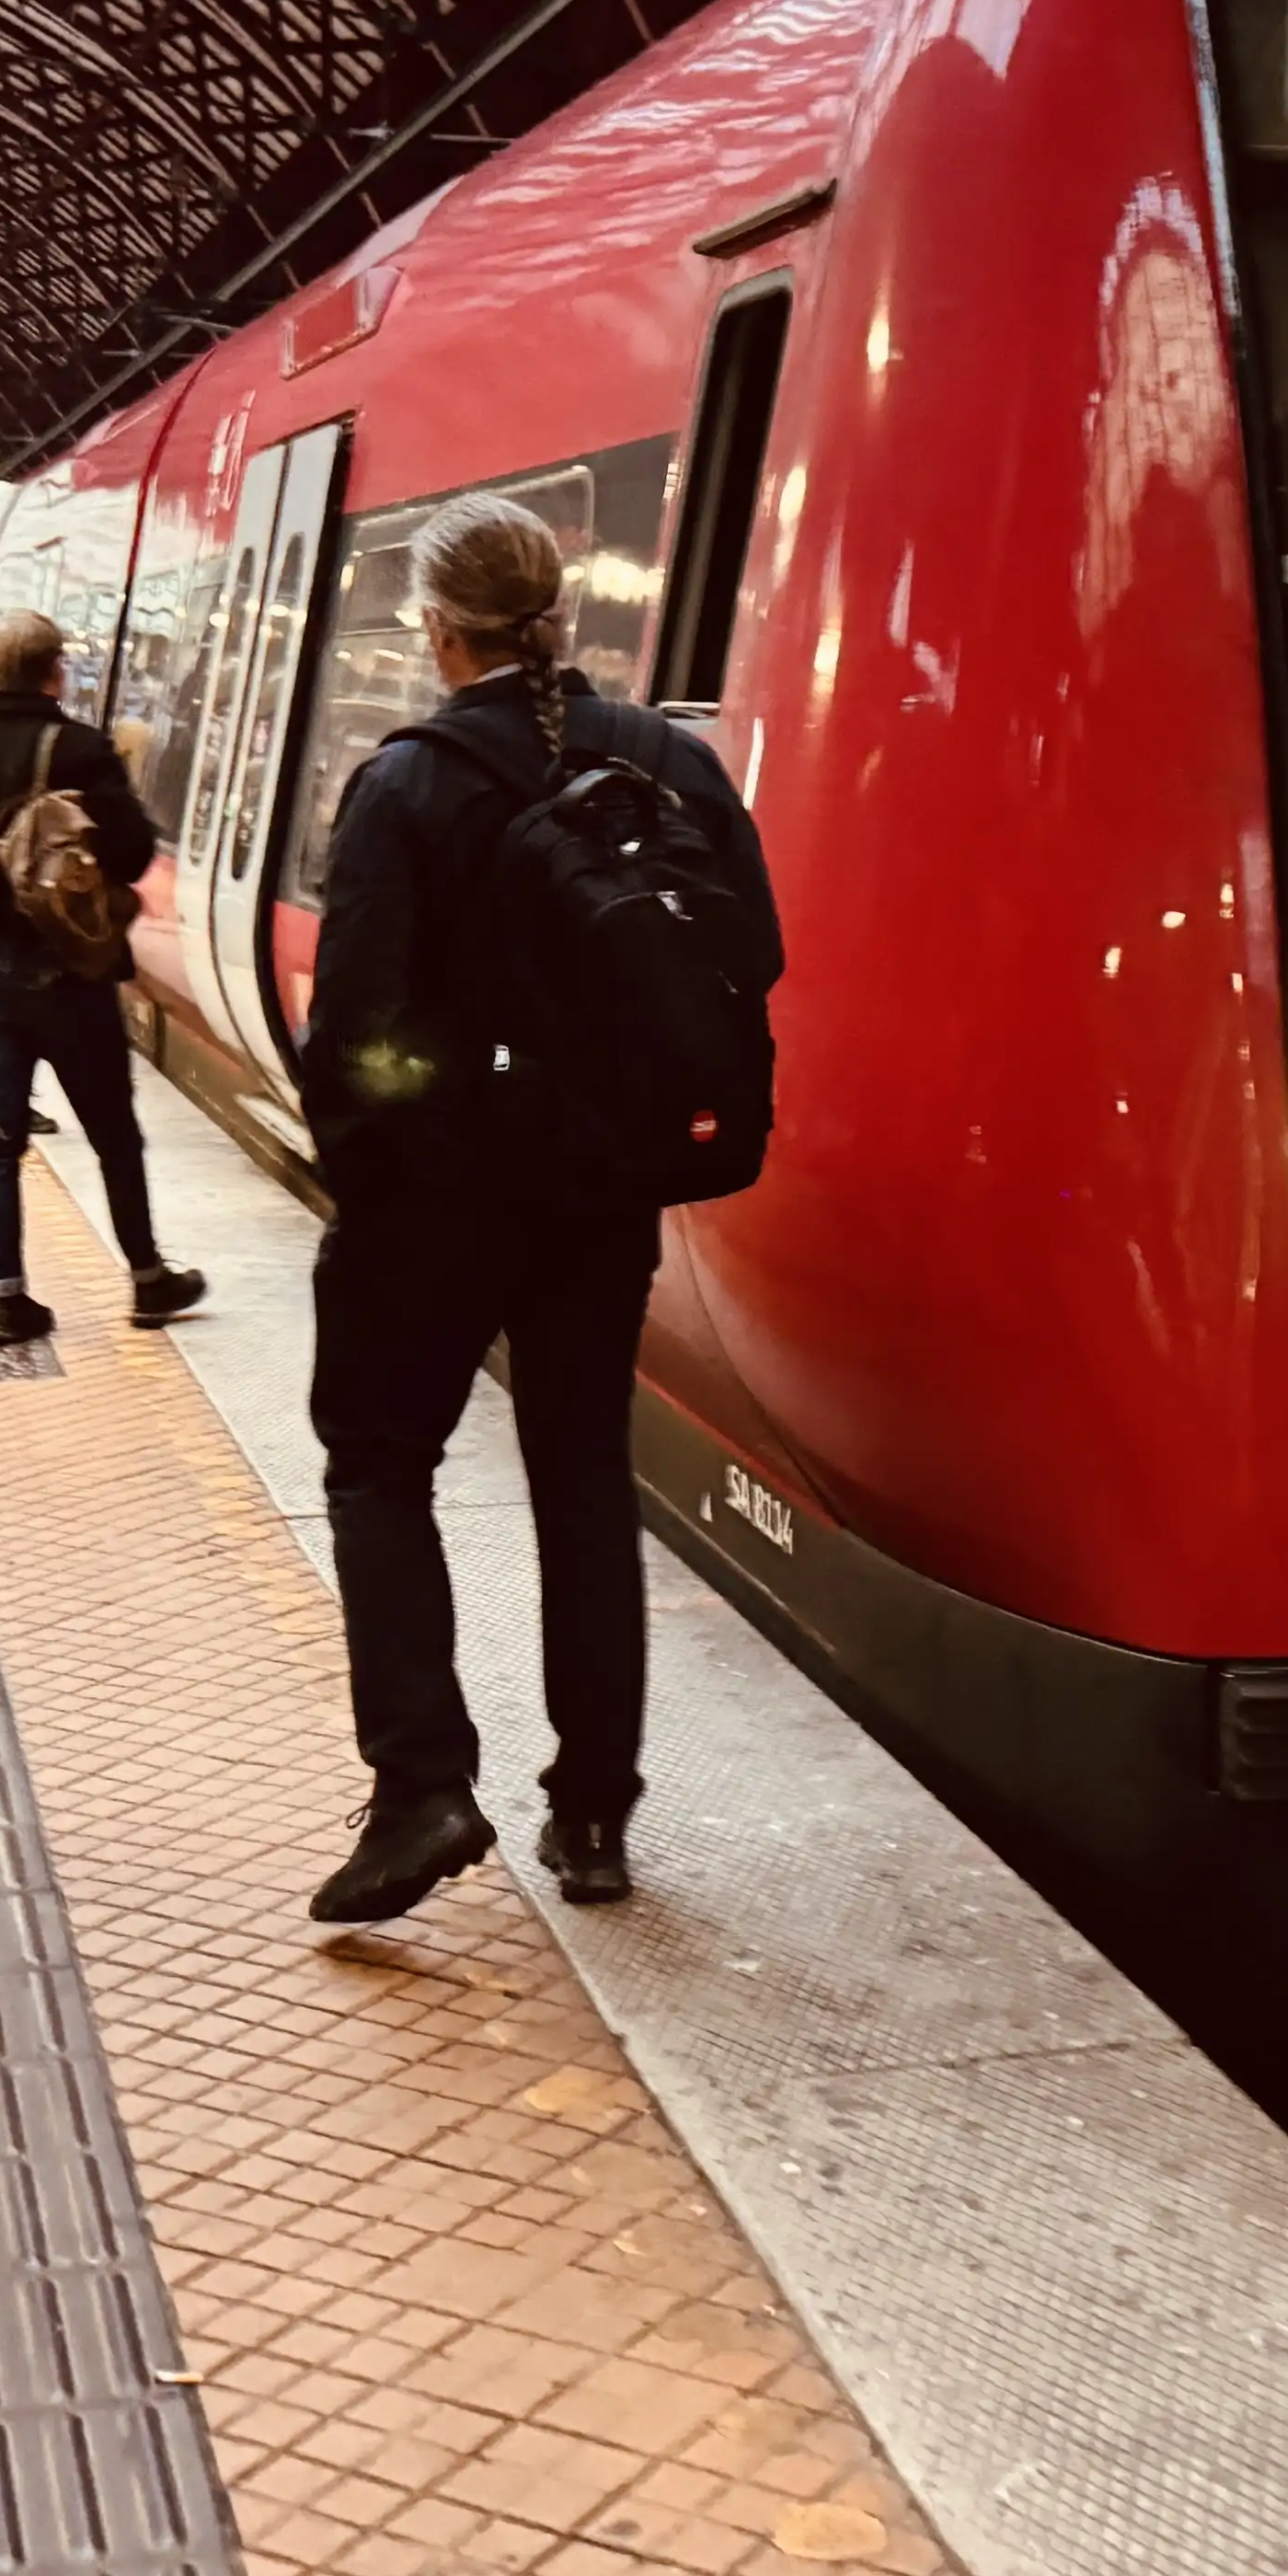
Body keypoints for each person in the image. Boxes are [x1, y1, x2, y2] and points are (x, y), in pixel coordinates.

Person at [294, 496, 778, 1923]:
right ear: (556, 610)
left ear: (436, 628)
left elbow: (362, 1029)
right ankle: (596, 1815)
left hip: (433, 1205)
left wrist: (379, 1163)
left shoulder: (408, 784)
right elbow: (752, 952)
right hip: (600, 1193)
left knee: (380, 1469)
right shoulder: (668, 759)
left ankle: (423, 1789)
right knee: (581, 1477)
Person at [0, 610, 205, 1346]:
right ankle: (145, 1279)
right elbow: (134, 854)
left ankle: (8, 1297)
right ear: (55, 671)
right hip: (72, 972)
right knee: (113, 1134)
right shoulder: (78, 749)